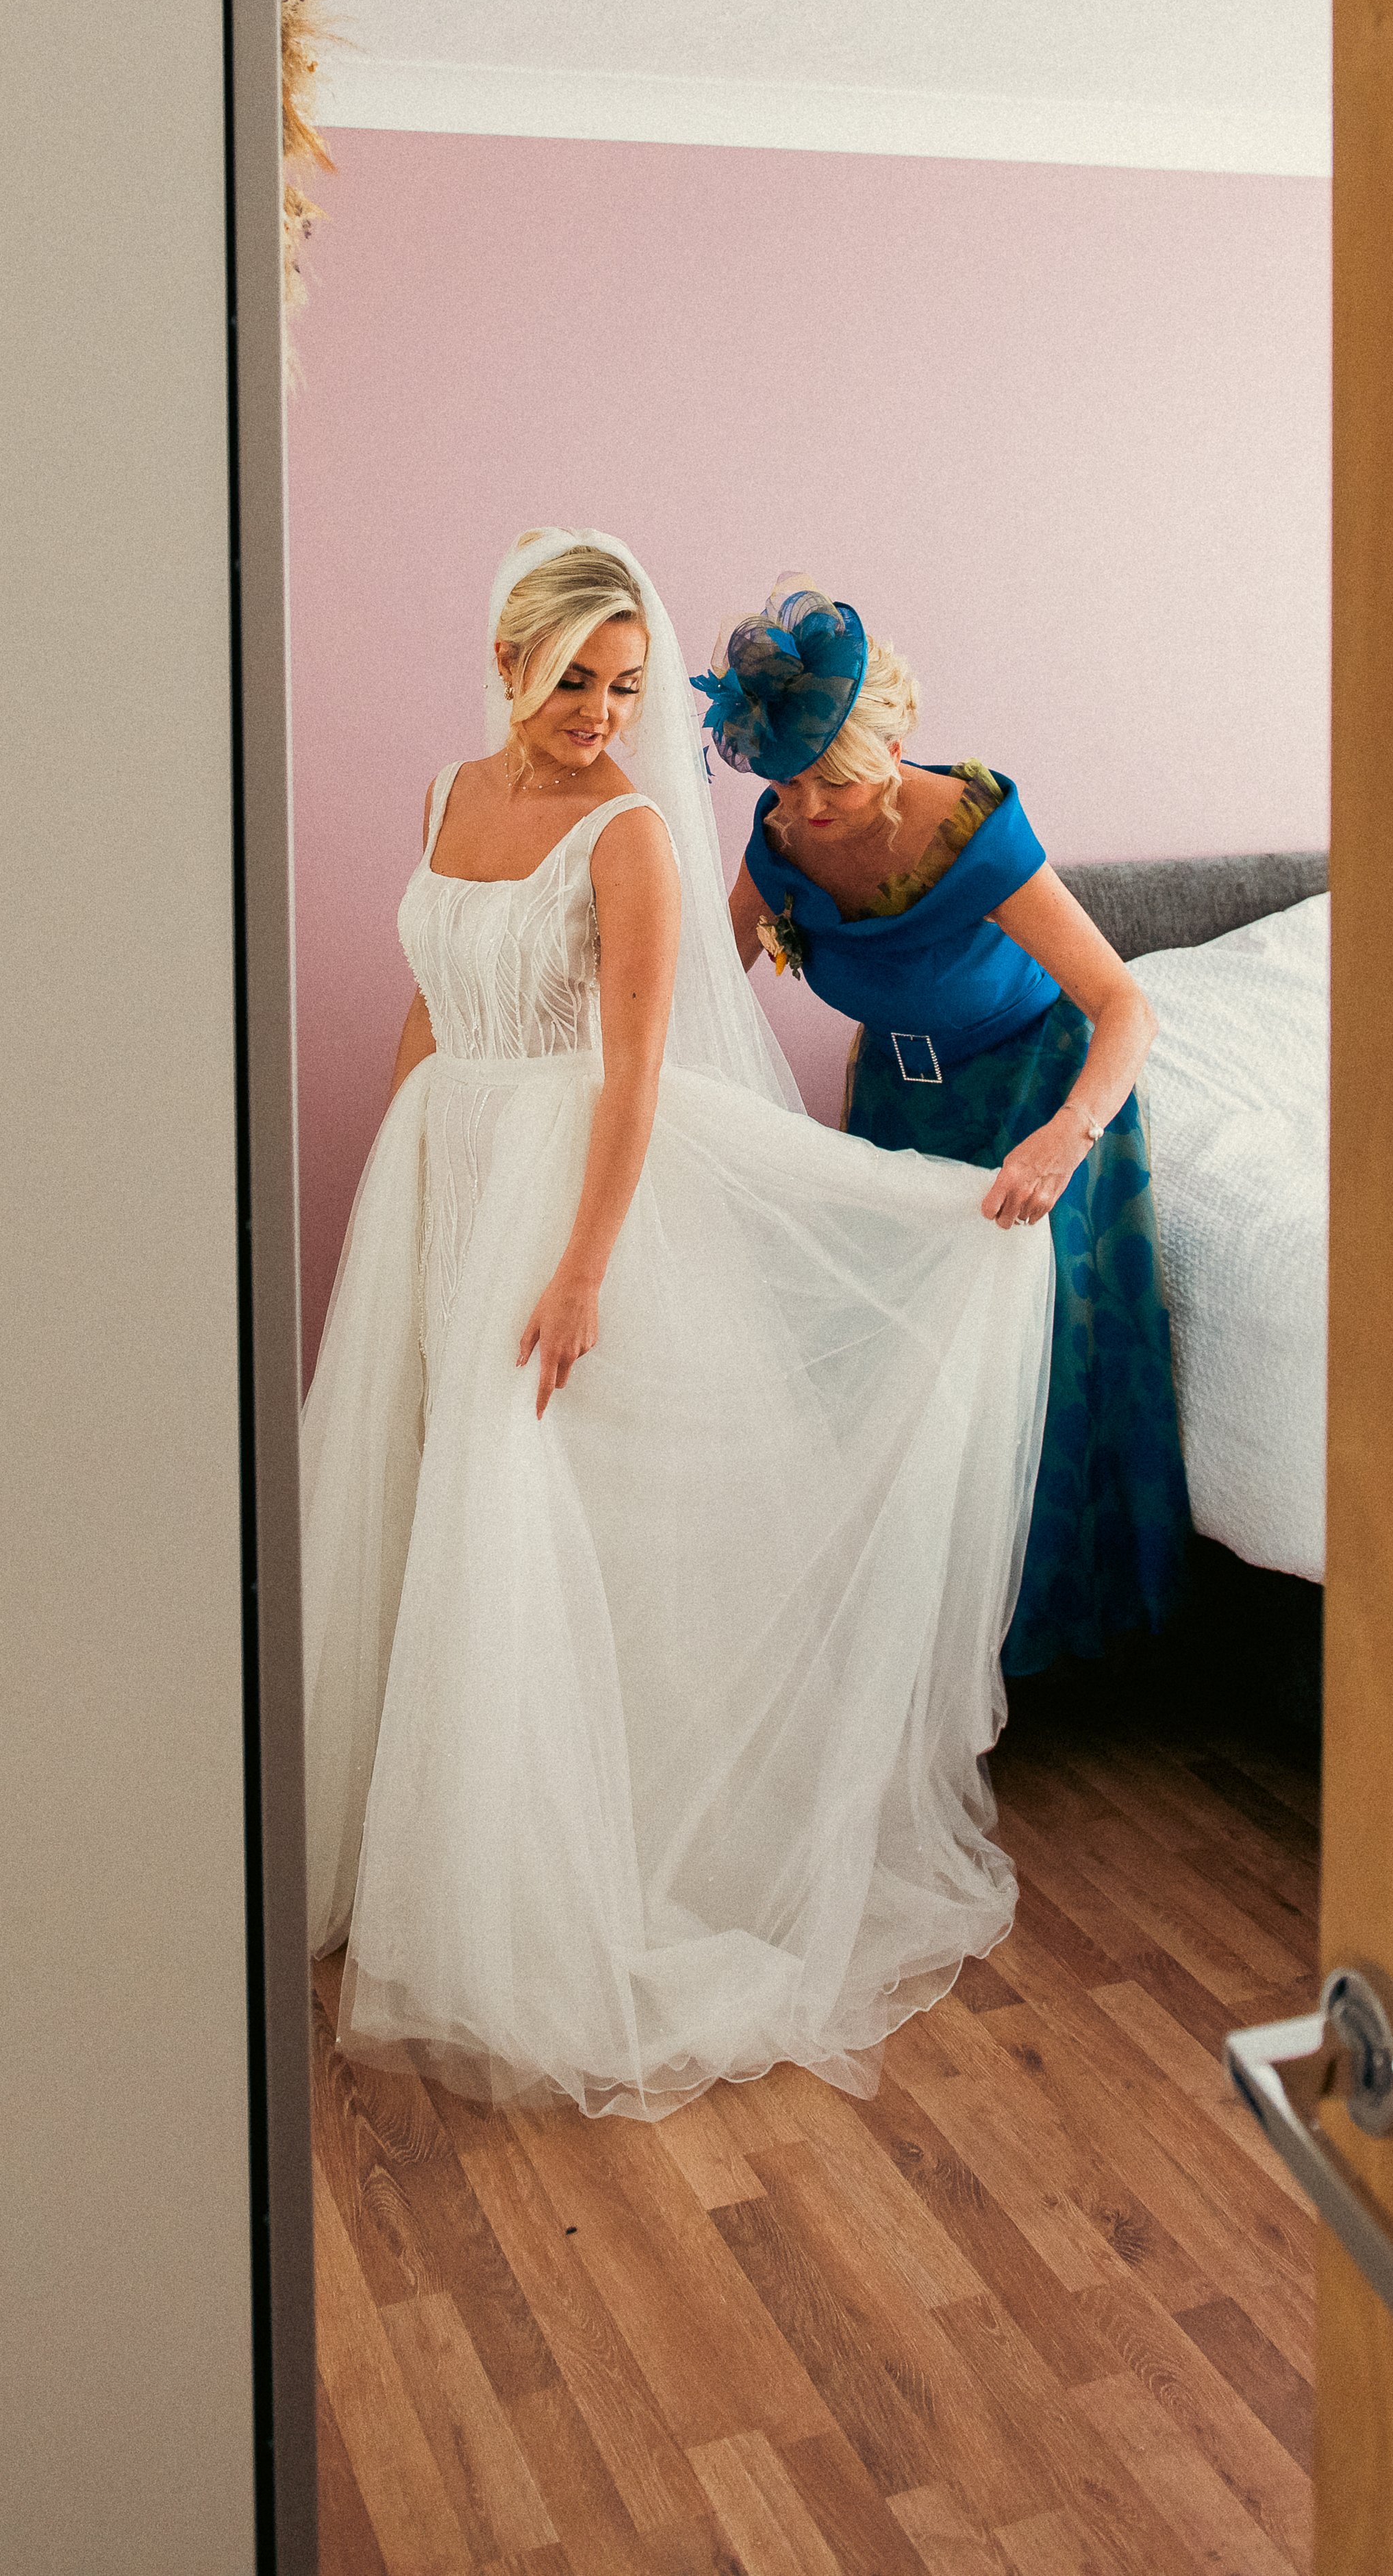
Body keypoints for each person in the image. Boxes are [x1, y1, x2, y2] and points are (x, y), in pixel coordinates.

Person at [301, 531, 1053, 2122]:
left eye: (628, 684)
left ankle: (543, 1890)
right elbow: (433, 995)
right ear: (506, 660)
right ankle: (427, 1848)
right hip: (443, 1169)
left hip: (564, 1194)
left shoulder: (631, 834)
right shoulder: (444, 797)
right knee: (425, 1494)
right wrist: (397, 1173)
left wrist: (580, 1267)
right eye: (575, 677)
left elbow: (636, 1072)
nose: (600, 711)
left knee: (520, 1510)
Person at [708, 579, 1191, 1676]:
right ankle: (910, 1640)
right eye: (785, 783)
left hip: (1038, 1093)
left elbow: (1127, 1004)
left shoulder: (975, 834)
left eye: (831, 782)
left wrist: (1069, 1133)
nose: (805, 810)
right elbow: (701, 983)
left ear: (891, 747)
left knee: (1024, 1363)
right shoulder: (782, 837)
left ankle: (1032, 1649)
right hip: (899, 1098)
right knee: (895, 1350)